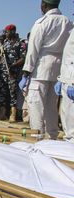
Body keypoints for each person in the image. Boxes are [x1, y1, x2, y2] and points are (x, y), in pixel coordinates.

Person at [22, 0, 72, 139]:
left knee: (36, 104)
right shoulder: (67, 22)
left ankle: (37, 137)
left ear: (43, 5)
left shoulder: (42, 22)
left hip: (41, 68)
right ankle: (52, 137)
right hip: (59, 68)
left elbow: (33, 49)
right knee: (51, 106)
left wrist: (27, 71)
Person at [0, 24, 26, 122]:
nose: (5, 34)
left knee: (12, 93)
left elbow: (23, 58)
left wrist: (13, 65)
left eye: (7, 32)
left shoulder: (20, 43)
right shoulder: (4, 42)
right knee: (2, 92)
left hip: (13, 72)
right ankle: (2, 113)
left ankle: (13, 114)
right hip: (3, 72)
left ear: (12, 31)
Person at [57, 26, 74, 142]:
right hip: (66, 78)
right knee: (66, 114)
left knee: (71, 117)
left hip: (71, 80)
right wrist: (60, 78)